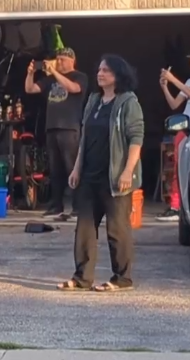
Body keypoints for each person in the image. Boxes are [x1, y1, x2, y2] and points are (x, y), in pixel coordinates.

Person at [57, 54, 143, 293]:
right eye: (99, 69)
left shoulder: (128, 102)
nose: (100, 73)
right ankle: (82, 278)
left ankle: (122, 278)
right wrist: (76, 168)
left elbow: (136, 138)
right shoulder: (94, 100)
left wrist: (127, 171)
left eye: (106, 70)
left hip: (115, 177)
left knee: (117, 228)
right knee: (84, 227)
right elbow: (85, 137)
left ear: (118, 75)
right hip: (89, 176)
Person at [25, 47, 90, 221]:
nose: (59, 62)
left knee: (72, 168)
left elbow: (74, 89)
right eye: (57, 59)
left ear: (72, 61)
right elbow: (30, 89)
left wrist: (54, 71)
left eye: (62, 60)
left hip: (69, 128)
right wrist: (30, 73)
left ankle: (79, 206)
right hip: (51, 127)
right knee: (54, 169)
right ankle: (56, 205)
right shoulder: (50, 79)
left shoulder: (80, 76)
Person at [158, 66, 190, 222]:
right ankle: (176, 207)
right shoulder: (189, 82)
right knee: (179, 170)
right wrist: (165, 87)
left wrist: (172, 79)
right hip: (185, 130)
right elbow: (174, 104)